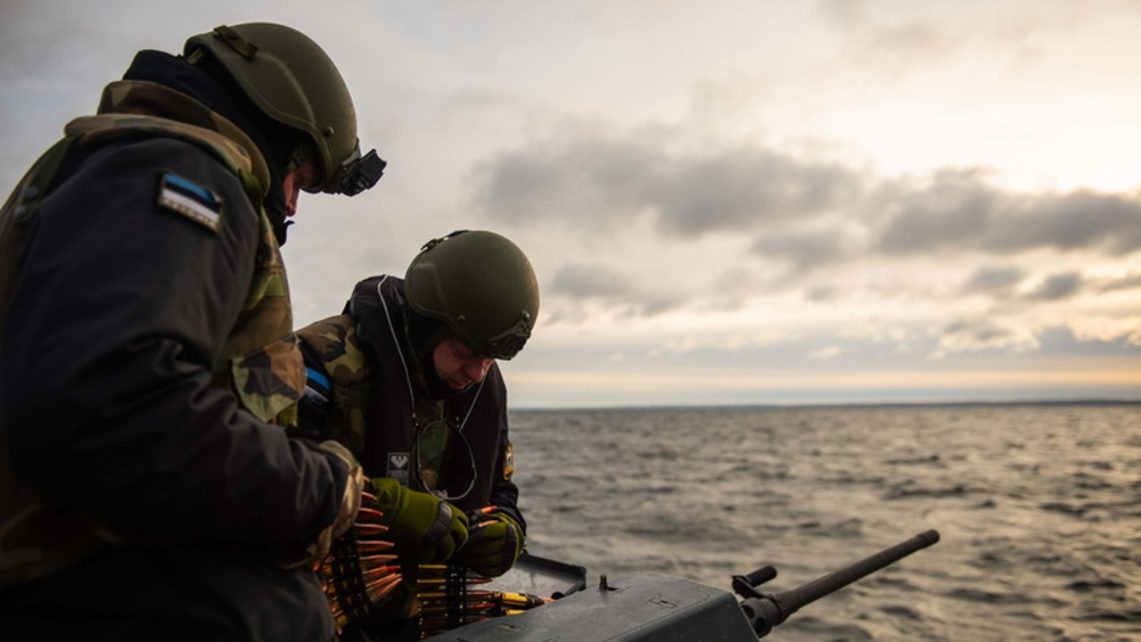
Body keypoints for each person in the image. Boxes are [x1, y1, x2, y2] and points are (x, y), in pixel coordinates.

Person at [0, 23, 385, 640]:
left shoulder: (118, 163)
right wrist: (324, 484)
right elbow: (113, 407)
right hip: (59, 571)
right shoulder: (180, 171)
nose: (290, 206)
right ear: (277, 134)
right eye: (301, 179)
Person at [292, 230, 539, 638]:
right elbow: (270, 485)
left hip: (417, 614)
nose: (477, 373)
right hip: (314, 612)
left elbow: (499, 491)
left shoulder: (481, 386)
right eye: (464, 354)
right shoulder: (319, 361)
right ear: (428, 330)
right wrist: (377, 505)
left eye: (489, 359)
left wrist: (508, 529)